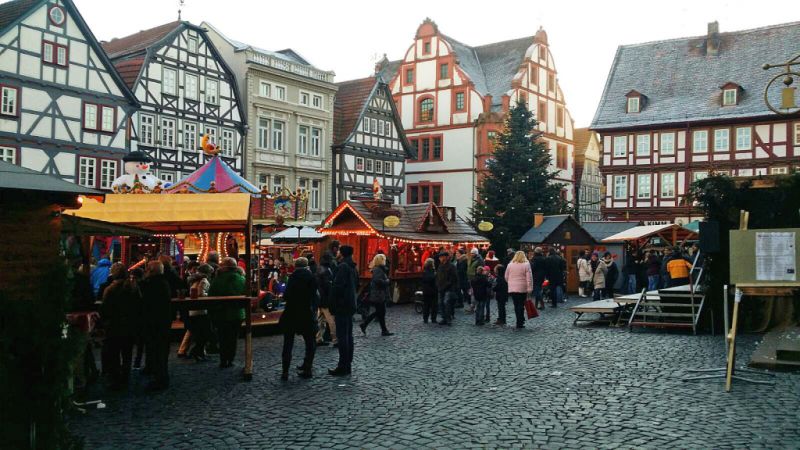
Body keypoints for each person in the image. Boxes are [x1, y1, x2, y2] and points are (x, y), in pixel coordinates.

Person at [100, 267, 142, 390]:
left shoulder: (110, 290)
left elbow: (105, 309)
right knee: (127, 353)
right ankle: (125, 377)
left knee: (114, 353)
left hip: (114, 325)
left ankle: (115, 378)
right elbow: (139, 306)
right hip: (130, 325)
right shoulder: (134, 288)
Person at [279, 257, 318, 380]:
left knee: (288, 343)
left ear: (296, 266)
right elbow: (315, 297)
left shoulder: (292, 278)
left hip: (291, 313)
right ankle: (307, 368)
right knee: (310, 342)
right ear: (306, 266)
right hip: (306, 313)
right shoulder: (312, 278)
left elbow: (286, 296)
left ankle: (285, 371)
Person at [139, 261, 172, 391]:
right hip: (163, 321)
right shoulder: (163, 283)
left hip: (155, 322)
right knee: (160, 351)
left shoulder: (152, 284)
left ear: (151, 271)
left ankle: (160, 379)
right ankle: (159, 375)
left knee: (158, 350)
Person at [209, 257, 246, 368]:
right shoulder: (241, 279)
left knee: (222, 337)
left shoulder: (217, 280)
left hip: (221, 313)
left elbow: (211, 295)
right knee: (233, 337)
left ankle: (223, 359)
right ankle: (230, 358)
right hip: (237, 313)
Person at [329, 245, 357, 376]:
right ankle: (347, 364)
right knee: (348, 335)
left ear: (342, 253)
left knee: (343, 336)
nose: (337, 252)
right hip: (350, 304)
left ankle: (343, 365)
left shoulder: (343, 267)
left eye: (339, 250)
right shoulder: (352, 266)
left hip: (342, 305)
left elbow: (338, 287)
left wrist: (333, 302)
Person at [360, 254, 394, 336]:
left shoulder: (379, 269)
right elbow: (378, 281)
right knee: (380, 312)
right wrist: (387, 281)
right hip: (378, 294)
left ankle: (382, 329)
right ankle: (367, 325)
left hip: (379, 294)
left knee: (380, 312)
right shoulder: (378, 270)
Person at [186, 264, 213, 361]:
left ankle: (200, 353)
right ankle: (196, 352)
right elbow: (200, 293)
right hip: (201, 310)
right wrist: (210, 295)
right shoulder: (204, 281)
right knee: (205, 333)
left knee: (199, 334)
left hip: (194, 310)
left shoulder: (194, 280)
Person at [505, 251, 533, 329]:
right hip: (522, 287)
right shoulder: (526, 265)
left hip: (513, 288)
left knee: (516, 304)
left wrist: (511, 283)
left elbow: (506, 276)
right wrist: (529, 288)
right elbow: (529, 278)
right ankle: (520, 321)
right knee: (521, 304)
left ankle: (519, 320)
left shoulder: (510, 265)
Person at [315, 253, 337, 347]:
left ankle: (318, 338)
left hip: (320, 299)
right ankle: (335, 339)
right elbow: (328, 286)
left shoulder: (319, 269)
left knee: (321, 320)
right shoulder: (326, 271)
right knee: (331, 320)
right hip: (326, 299)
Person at [435, 251, 458, 326]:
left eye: (441, 257)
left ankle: (448, 319)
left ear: (446, 257)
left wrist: (446, 286)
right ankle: (444, 318)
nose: (440, 258)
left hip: (448, 288)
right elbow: (438, 276)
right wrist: (438, 285)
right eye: (440, 257)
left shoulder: (451, 266)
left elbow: (453, 279)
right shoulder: (440, 266)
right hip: (441, 288)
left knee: (446, 303)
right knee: (440, 303)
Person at [421, 258, 438, 324]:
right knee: (433, 305)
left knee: (427, 305)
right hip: (432, 290)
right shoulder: (430, 271)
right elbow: (429, 279)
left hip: (427, 290)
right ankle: (432, 318)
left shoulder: (425, 271)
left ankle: (426, 318)